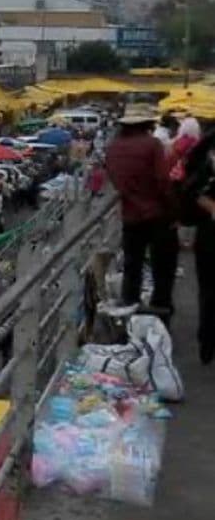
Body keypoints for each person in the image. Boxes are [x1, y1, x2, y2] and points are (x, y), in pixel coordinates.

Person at [105, 114, 179, 316]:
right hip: (157, 214)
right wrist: (173, 210)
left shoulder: (112, 148)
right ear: (146, 125)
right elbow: (163, 180)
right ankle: (161, 308)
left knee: (132, 265)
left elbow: (114, 179)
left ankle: (131, 307)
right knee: (163, 267)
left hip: (130, 215)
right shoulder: (152, 145)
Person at [180, 127, 215, 363]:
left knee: (208, 288)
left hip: (209, 233)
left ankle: (207, 339)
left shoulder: (204, 159)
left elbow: (189, 188)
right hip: (208, 232)